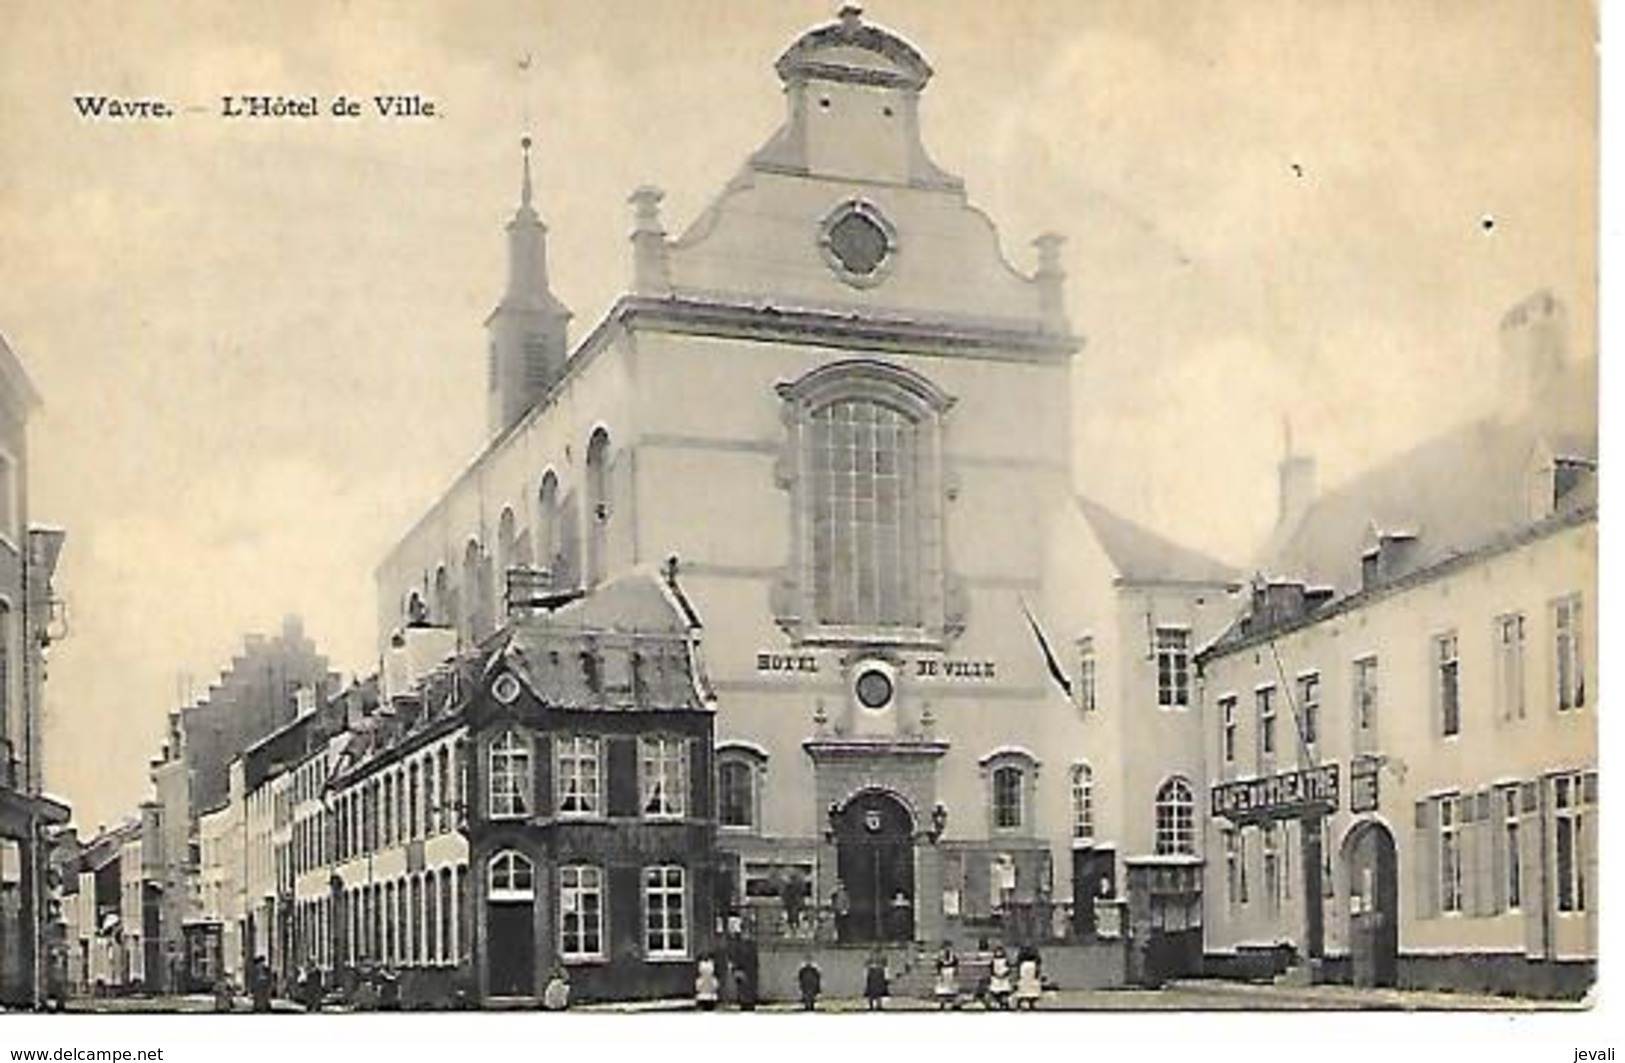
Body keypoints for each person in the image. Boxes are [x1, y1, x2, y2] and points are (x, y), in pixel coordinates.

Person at [933, 940, 960, 1010]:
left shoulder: (953, 957)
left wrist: (954, 971)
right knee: (942, 987)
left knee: (951, 986)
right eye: (945, 948)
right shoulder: (940, 958)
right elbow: (938, 967)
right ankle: (942, 1002)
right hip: (944, 973)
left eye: (948, 948)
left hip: (950, 973)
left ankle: (951, 1001)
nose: (947, 950)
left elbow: (955, 966)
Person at [987, 945, 1013, 1010]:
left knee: (1004, 990)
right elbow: (991, 971)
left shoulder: (1005, 960)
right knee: (995, 991)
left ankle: (1004, 1003)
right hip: (996, 981)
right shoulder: (993, 961)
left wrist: (1004, 974)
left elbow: (1009, 969)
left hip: (1004, 981)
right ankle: (997, 1003)